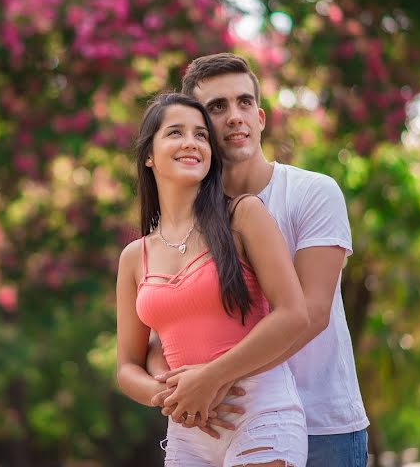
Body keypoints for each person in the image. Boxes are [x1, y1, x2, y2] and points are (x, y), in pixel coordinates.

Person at [148, 53, 370, 467]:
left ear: (261, 117)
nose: (235, 116)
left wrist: (214, 379)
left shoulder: (313, 193)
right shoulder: (185, 225)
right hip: (222, 426)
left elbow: (313, 312)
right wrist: (180, 391)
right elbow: (165, 334)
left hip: (323, 425)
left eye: (244, 102)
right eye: (217, 107)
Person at [115, 92, 311, 467]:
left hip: (259, 410)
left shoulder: (244, 215)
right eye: (176, 132)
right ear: (148, 155)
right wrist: (170, 394)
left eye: (201, 135)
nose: (191, 142)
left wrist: (210, 377)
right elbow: (128, 366)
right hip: (188, 422)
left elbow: (293, 314)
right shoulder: (133, 257)